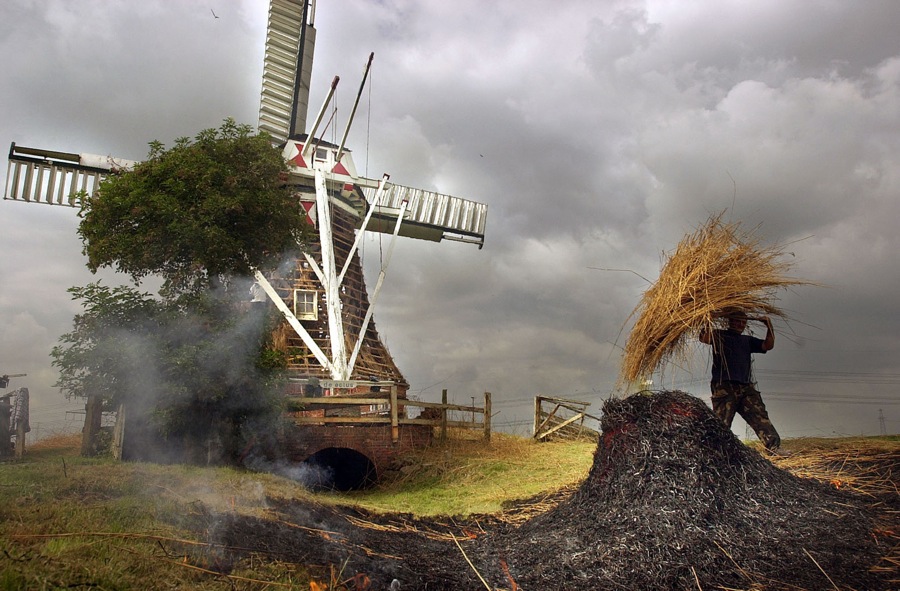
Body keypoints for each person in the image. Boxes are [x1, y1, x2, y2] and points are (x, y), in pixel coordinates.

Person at [699, 310, 787, 456]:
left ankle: (774, 448)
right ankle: (714, 452)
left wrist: (769, 326)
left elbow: (767, 346)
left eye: (743, 322)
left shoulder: (747, 340)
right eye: (737, 321)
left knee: (759, 416)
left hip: (745, 386)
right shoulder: (719, 335)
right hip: (724, 386)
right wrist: (709, 320)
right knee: (722, 421)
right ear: (729, 321)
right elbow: (704, 338)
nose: (740, 324)